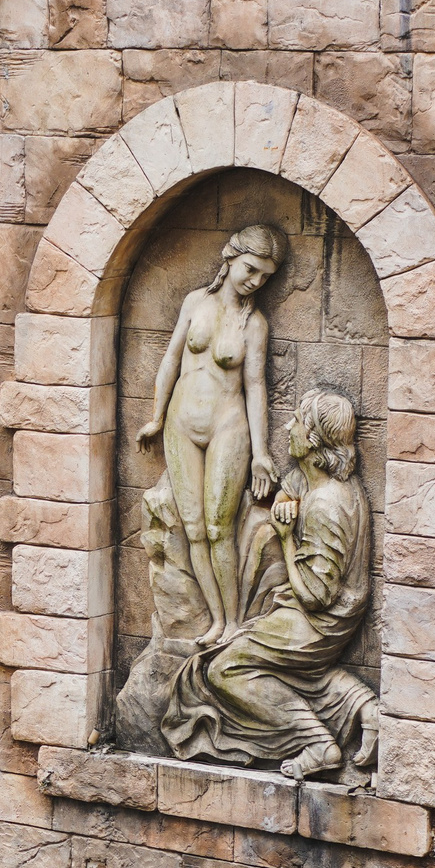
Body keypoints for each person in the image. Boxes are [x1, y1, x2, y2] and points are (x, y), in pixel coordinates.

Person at [160, 388, 379, 779]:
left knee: (222, 669)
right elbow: (296, 483)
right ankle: (361, 704)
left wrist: (285, 536)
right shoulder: (318, 481)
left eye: (296, 421)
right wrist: (286, 497)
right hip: (320, 610)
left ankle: (317, 743)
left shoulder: (328, 506)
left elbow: (315, 596)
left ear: (313, 440)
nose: (287, 426)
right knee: (265, 662)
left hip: (320, 622)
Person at [134, 223, 287, 646]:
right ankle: (215, 621)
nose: (254, 281)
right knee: (195, 527)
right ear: (230, 256)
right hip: (182, 424)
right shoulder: (194, 303)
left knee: (220, 528)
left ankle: (235, 622)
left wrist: (261, 453)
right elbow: (171, 357)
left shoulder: (254, 323)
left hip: (227, 426)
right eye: (250, 269)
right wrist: (156, 416)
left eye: (264, 276)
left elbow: (256, 386)